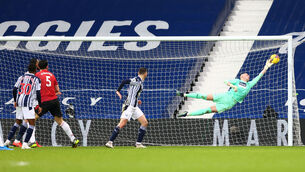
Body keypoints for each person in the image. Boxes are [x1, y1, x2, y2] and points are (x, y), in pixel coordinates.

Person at [177, 59, 274, 117]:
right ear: (242, 77)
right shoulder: (237, 81)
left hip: (229, 103)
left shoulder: (250, 84)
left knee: (206, 110)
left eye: (248, 74)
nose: (248, 75)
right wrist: (233, 86)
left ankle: (187, 114)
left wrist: (266, 67)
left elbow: (259, 76)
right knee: (204, 96)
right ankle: (184, 94)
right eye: (246, 74)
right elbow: (225, 81)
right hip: (225, 96)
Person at [35, 60, 79, 148]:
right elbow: (57, 90)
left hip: (44, 101)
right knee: (60, 121)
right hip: (54, 101)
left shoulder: (37, 75)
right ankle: (73, 138)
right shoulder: (52, 75)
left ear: (39, 67)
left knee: (32, 119)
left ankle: (30, 141)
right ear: (47, 66)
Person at [105, 68, 148, 148]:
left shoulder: (140, 82)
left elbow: (132, 93)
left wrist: (137, 100)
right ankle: (110, 142)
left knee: (145, 122)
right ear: (145, 73)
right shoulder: (136, 80)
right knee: (122, 124)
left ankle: (138, 143)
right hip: (130, 107)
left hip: (135, 106)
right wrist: (118, 91)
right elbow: (124, 81)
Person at [4, 63, 42, 149]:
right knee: (32, 123)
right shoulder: (36, 79)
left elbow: (14, 89)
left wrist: (15, 101)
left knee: (18, 121)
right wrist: (40, 104)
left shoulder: (21, 77)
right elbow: (38, 93)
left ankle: (7, 141)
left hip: (19, 101)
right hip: (28, 103)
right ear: (35, 70)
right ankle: (25, 144)